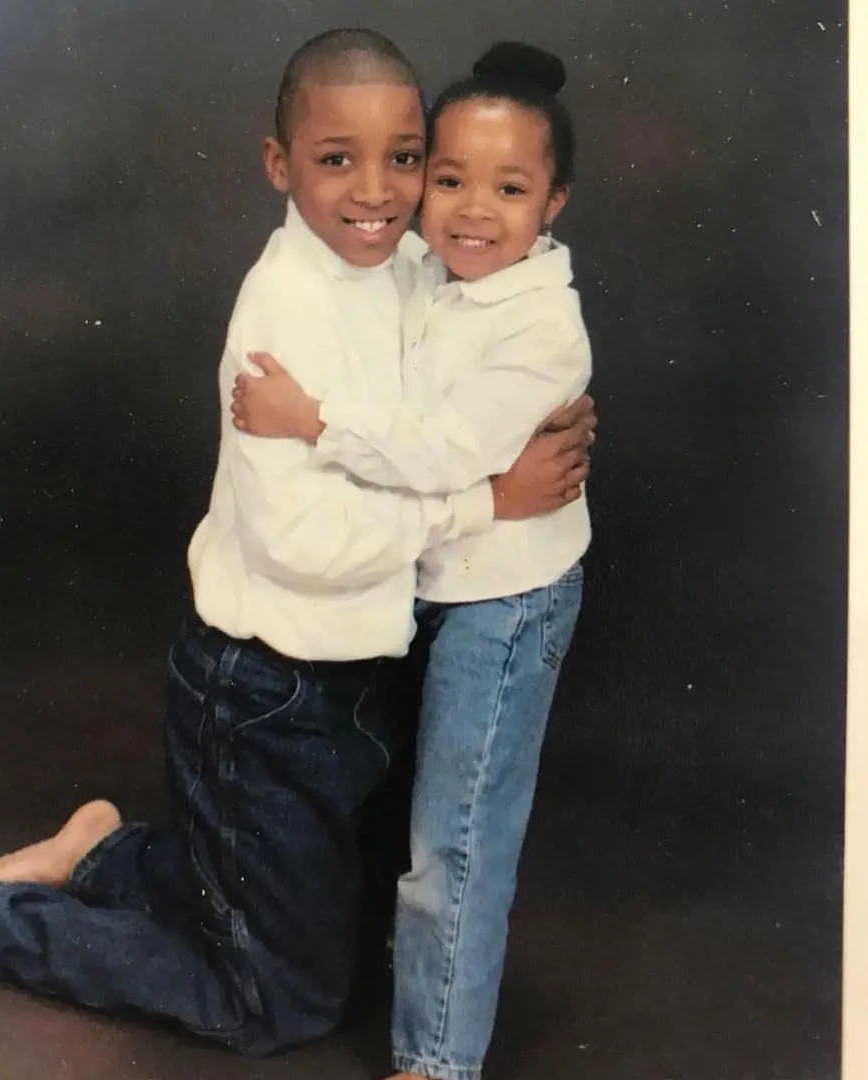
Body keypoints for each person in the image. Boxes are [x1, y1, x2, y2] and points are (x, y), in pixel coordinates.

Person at [0, 29, 595, 1058]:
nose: (381, 191)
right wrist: (486, 504)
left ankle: (108, 854)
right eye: (338, 160)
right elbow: (305, 541)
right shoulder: (284, 313)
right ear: (279, 165)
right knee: (275, 1001)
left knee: (334, 916)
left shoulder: (408, 259)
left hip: (353, 676)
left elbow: (497, 311)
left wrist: (549, 399)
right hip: (264, 691)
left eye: (407, 159)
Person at [230, 40, 591, 1080]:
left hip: (503, 603)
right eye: (450, 179)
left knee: (457, 846)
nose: (473, 210)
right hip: (430, 580)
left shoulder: (542, 331)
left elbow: (444, 451)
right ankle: (407, 982)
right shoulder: (428, 268)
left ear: (554, 202)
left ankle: (435, 1060)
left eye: (510, 189)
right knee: (401, 815)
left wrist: (314, 419)